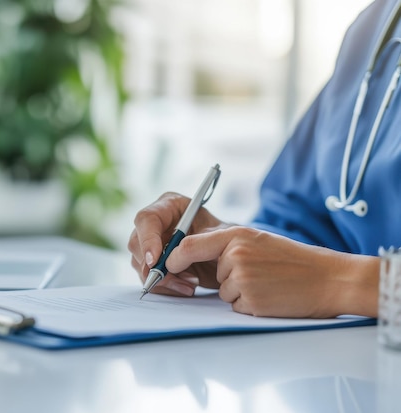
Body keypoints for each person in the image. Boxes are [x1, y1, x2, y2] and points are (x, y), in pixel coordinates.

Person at [128, 0, 401, 319]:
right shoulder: (374, 27)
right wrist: (225, 249)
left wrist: (339, 283)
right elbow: (302, 220)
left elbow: (325, 272)